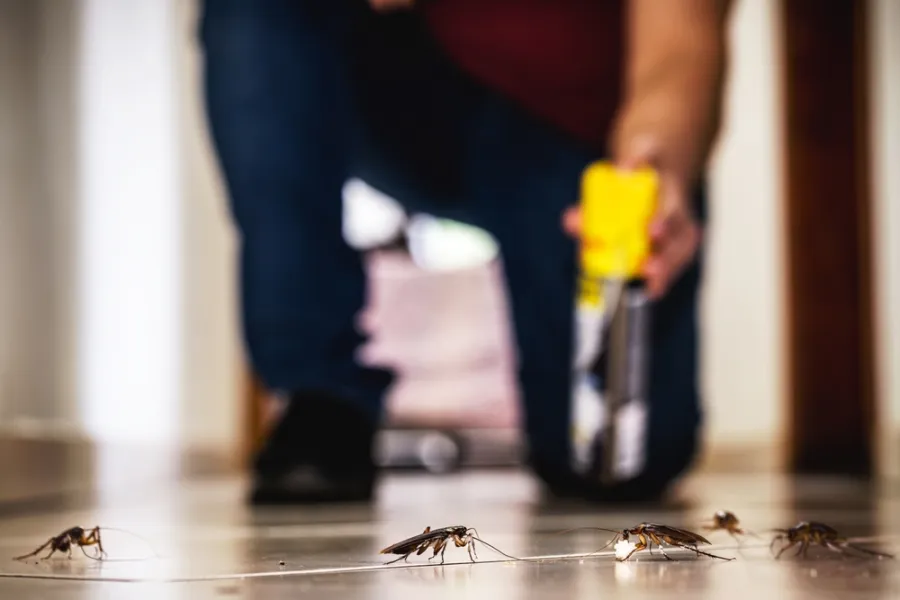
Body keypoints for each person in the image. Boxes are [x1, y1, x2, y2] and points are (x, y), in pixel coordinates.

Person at [198, 0, 733, 504]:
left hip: (575, 134)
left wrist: (653, 166)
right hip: (420, 92)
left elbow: (681, 44)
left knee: (616, 463)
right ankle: (320, 396)